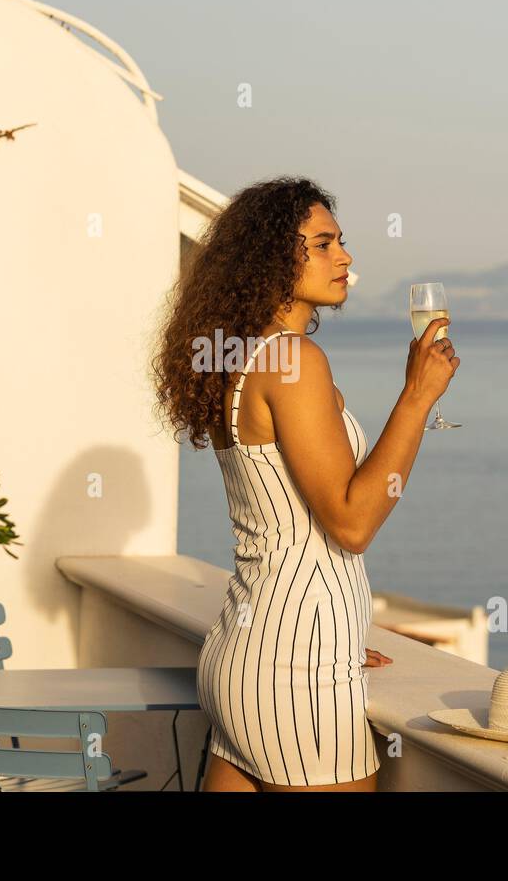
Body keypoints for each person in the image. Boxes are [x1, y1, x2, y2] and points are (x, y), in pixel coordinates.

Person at [149, 176, 458, 791]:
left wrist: (333, 634)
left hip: (249, 654)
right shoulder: (293, 362)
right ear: (269, 256)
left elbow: (287, 521)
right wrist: (417, 398)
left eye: (340, 242)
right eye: (322, 244)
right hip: (294, 673)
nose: (344, 257)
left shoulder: (246, 354)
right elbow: (351, 521)